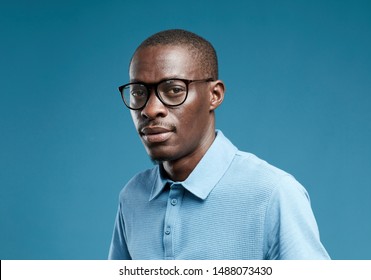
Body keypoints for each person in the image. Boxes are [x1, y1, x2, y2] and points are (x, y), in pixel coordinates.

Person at [109, 29, 330, 260]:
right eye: (138, 92)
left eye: (174, 90)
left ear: (214, 95)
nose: (150, 109)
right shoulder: (132, 196)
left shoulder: (274, 194)